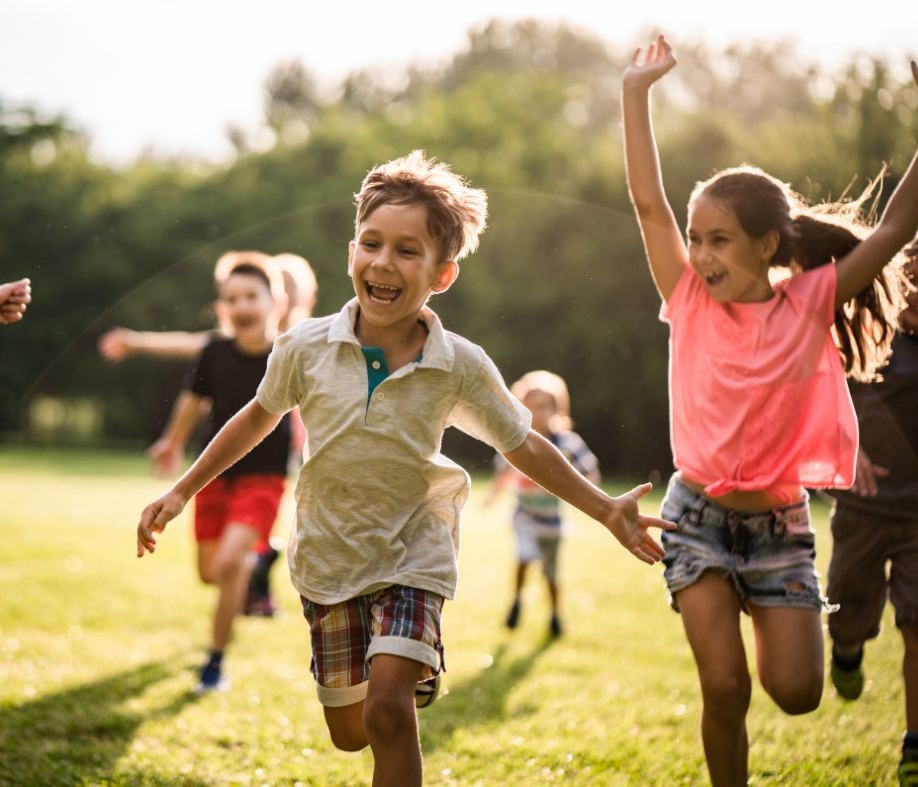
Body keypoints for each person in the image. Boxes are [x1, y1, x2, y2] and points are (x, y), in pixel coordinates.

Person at [136, 150, 674, 786]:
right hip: (330, 556)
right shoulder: (303, 348)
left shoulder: (460, 364)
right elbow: (257, 417)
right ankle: (396, 673)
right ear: (350, 254)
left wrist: (604, 506)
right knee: (350, 732)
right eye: (372, 244)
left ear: (442, 274)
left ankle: (405, 665)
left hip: (414, 552)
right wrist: (180, 491)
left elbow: (524, 444)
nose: (384, 262)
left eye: (407, 251)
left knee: (390, 712)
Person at [621, 35, 918, 786]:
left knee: (796, 694)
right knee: (724, 686)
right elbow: (645, 203)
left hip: (780, 528)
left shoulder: (808, 302)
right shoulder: (688, 299)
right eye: (695, 238)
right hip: (696, 516)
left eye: (719, 240)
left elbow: (893, 232)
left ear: (767, 245)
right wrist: (636, 95)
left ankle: (772, 617)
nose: (699, 254)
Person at [100, 252, 317, 616]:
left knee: (232, 558)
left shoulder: (301, 341)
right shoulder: (229, 342)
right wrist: (137, 343)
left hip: (270, 459)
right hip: (222, 456)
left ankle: (253, 566)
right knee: (210, 572)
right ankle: (257, 566)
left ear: (287, 298)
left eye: (291, 287)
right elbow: (194, 352)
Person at [147, 252, 292, 693]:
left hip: (265, 477)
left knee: (229, 567)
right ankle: (261, 559)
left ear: (276, 303)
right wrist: (171, 442)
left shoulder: (288, 353)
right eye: (233, 298)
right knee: (210, 573)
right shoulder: (213, 352)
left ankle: (214, 662)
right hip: (214, 474)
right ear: (223, 307)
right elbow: (193, 402)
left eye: (252, 296)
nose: (243, 305)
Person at [825, 231, 918, 786]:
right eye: (911, 281)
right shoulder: (871, 340)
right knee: (851, 616)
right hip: (863, 509)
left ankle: (914, 747)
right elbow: (825, 397)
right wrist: (852, 449)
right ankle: (846, 649)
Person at [486, 370, 600, 638]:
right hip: (524, 516)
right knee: (524, 558)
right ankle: (516, 600)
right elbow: (503, 473)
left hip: (553, 521)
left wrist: (590, 493)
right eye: (529, 407)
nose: (536, 413)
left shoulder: (567, 443)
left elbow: (590, 470)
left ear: (556, 409)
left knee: (551, 573)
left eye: (543, 407)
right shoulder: (517, 441)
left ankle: (555, 614)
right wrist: (493, 495)